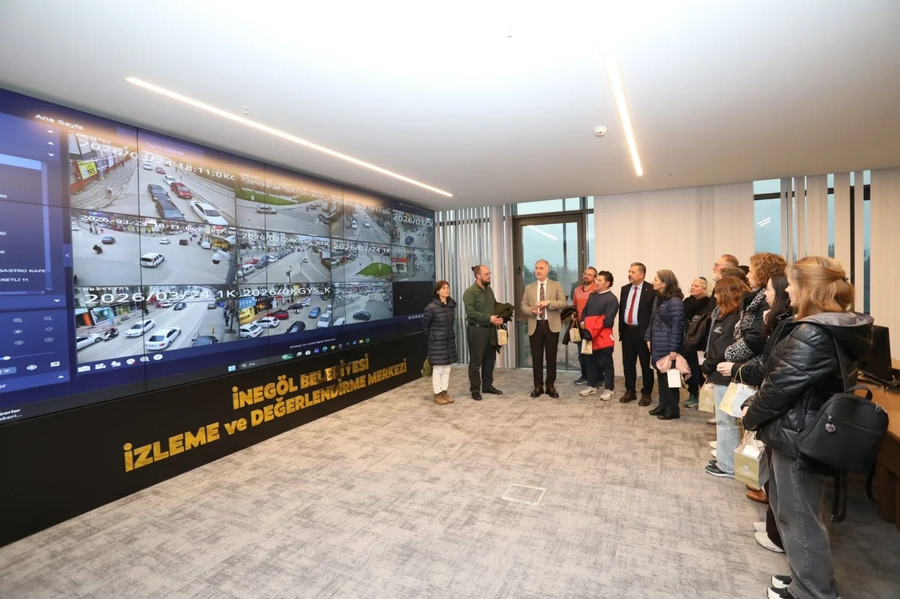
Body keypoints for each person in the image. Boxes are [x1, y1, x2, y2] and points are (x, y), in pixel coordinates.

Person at [743, 256, 873, 599]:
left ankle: (812, 591)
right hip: (805, 428)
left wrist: (751, 417)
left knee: (799, 518)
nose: (788, 291)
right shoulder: (833, 325)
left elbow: (779, 388)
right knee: (799, 514)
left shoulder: (813, 332)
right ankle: (805, 580)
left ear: (809, 288)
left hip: (798, 434)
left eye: (791, 284)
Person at [718, 272, 792, 554]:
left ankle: (779, 535)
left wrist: (737, 367)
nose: (765, 294)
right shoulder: (779, 320)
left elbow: (772, 368)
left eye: (769, 290)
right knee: (774, 471)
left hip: (779, 406)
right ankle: (775, 526)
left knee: (785, 481)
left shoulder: (789, 326)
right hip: (768, 397)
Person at [702, 276, 750, 477]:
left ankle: (728, 466)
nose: (715, 296)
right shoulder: (728, 317)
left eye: (718, 292)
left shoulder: (732, 320)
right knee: (726, 421)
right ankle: (725, 458)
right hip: (721, 374)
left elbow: (720, 349)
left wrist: (706, 367)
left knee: (726, 422)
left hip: (725, 375)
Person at [521, 259, 567, 398]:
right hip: (535, 326)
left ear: (547, 270)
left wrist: (548, 303)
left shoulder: (556, 285)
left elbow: (563, 303)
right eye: (536, 268)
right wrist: (531, 311)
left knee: (551, 358)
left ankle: (550, 386)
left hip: (550, 326)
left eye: (541, 268)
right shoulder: (529, 287)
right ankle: (538, 386)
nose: (538, 271)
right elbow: (523, 305)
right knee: (536, 358)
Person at [644, 270, 685, 419]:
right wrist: (648, 337)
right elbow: (653, 320)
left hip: (668, 345)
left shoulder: (675, 302)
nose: (652, 281)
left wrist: (673, 349)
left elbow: (677, 327)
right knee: (661, 376)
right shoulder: (658, 298)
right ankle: (662, 405)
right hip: (657, 344)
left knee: (670, 379)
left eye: (655, 279)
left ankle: (673, 409)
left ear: (664, 283)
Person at [463, 265, 504, 401]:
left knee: (490, 360)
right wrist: (489, 318)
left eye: (489, 273)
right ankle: (475, 390)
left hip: (490, 329)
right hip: (476, 330)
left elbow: (494, 306)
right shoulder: (470, 292)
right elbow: (471, 312)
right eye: (486, 274)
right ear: (478, 276)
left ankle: (487, 386)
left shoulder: (489, 290)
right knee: (476, 362)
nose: (489, 276)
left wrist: (500, 316)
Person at [618, 262, 656, 405]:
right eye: (629, 271)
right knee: (628, 363)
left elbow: (653, 314)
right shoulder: (625, 289)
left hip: (643, 333)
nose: (629, 274)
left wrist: (650, 334)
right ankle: (630, 391)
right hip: (627, 331)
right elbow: (623, 309)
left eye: (633, 272)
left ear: (642, 274)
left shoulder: (651, 290)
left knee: (646, 365)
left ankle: (646, 393)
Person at [579, 270, 618, 400]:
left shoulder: (612, 299)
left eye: (600, 280)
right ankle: (591, 385)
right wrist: (583, 322)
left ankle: (609, 389)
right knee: (590, 362)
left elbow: (607, 320)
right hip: (589, 335)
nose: (596, 282)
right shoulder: (593, 295)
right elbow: (585, 311)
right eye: (597, 280)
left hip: (603, 336)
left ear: (607, 283)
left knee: (606, 363)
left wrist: (590, 326)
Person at [423, 281, 458, 405]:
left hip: (448, 342)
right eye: (443, 288)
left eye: (447, 288)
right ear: (437, 291)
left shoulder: (450, 306)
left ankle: (444, 392)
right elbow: (425, 326)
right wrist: (433, 338)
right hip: (436, 343)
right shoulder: (431, 307)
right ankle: (437, 393)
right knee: (438, 369)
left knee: (447, 368)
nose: (446, 290)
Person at [682, 277, 711, 408]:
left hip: (702, 343)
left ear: (704, 289)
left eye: (697, 286)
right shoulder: (686, 302)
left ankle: (706, 399)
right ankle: (693, 394)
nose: (693, 287)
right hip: (688, 342)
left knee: (702, 371)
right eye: (692, 285)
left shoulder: (709, 303)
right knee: (690, 370)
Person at [571, 267, 598, 385]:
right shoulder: (577, 290)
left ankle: (596, 378)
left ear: (595, 278)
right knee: (581, 354)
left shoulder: (596, 290)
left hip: (591, 327)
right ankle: (584, 376)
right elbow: (574, 306)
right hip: (579, 327)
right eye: (585, 274)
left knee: (593, 354)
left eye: (590, 274)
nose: (586, 276)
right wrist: (573, 314)